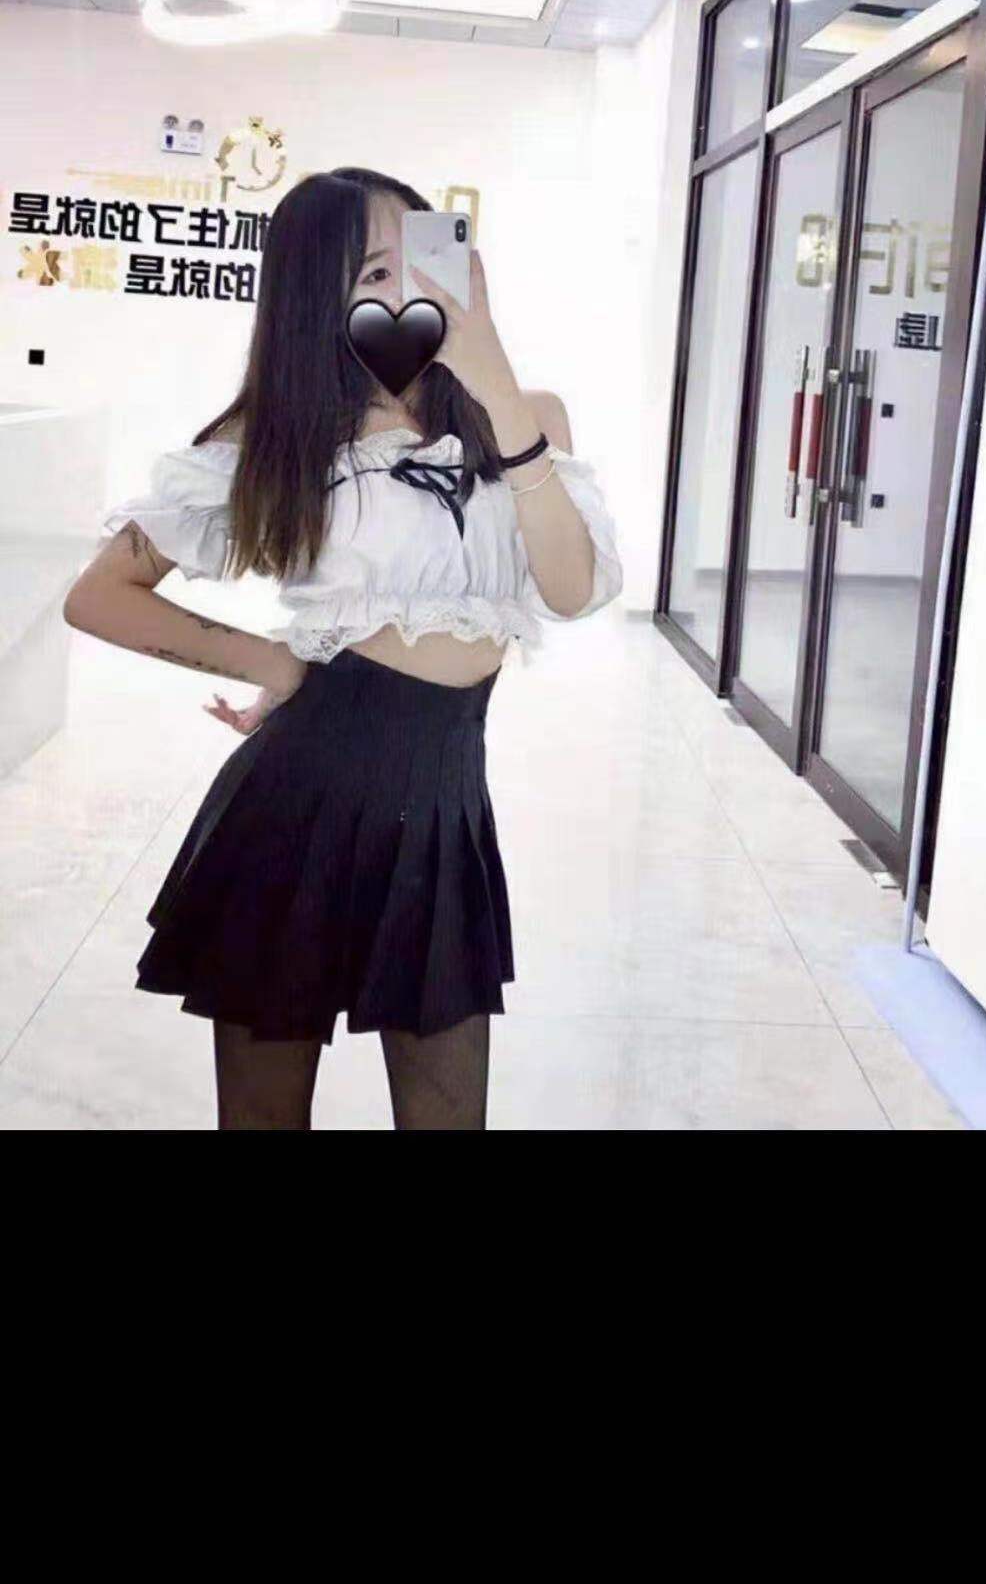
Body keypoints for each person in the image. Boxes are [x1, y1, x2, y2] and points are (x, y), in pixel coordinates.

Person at [63, 166, 623, 1131]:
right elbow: (98, 595)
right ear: (317, 296)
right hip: (297, 805)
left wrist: (493, 379)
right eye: (373, 272)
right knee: (265, 1116)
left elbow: (572, 590)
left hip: (445, 809)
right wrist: (275, 663)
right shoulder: (277, 435)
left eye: (421, 259)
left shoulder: (526, 412)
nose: (408, 291)